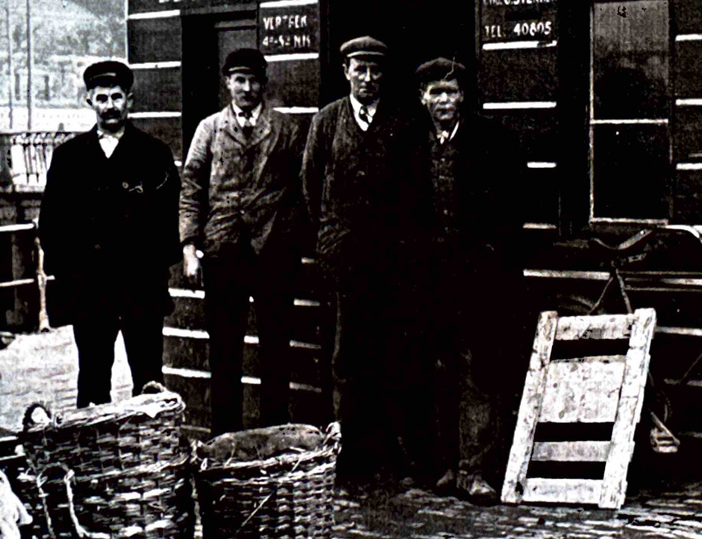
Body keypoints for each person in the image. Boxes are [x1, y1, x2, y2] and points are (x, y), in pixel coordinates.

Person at [408, 57, 524, 504]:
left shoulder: (493, 142)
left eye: (451, 92)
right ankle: (448, 465)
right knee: (440, 370)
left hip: (481, 279)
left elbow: (513, 207)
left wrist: (492, 254)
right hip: (430, 281)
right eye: (435, 92)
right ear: (423, 98)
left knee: (481, 371)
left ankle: (477, 470)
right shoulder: (411, 147)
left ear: (464, 97)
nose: (444, 101)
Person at [301, 36, 418, 481]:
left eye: (375, 71)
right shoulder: (327, 121)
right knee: (345, 356)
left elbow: (412, 190)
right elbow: (311, 186)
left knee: (389, 353)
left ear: (384, 76)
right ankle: (347, 456)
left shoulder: (401, 122)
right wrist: (333, 235)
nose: (367, 79)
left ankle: (386, 456)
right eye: (359, 69)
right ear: (346, 72)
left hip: (390, 260)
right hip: (343, 258)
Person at [39, 60, 180, 406]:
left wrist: (150, 268)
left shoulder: (154, 154)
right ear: (89, 101)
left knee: (148, 382)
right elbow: (51, 225)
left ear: (129, 100)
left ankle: (149, 454)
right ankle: (94, 456)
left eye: (117, 97)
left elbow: (170, 222)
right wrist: (72, 275)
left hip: (141, 289)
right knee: (92, 380)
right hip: (90, 291)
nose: (110, 106)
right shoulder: (68, 157)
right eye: (101, 98)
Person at [179, 49, 305, 434]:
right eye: (239, 80)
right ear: (227, 83)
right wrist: (189, 247)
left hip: (273, 255)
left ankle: (274, 440)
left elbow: (302, 189)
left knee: (275, 351)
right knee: (224, 351)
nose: (246, 88)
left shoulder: (285, 129)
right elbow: (191, 188)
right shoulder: (209, 129)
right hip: (223, 253)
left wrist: (288, 237)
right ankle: (225, 441)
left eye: (253, 81)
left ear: (263, 85)